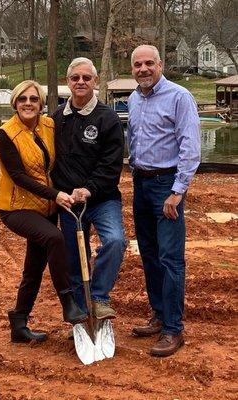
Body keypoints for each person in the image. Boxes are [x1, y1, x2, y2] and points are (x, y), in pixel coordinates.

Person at [0, 80, 86, 343]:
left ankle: (19, 324)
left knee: (34, 267)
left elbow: (58, 162)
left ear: (41, 104)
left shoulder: (48, 126)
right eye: (22, 99)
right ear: (15, 103)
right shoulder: (5, 134)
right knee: (54, 238)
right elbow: (19, 176)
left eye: (33, 99)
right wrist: (55, 194)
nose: (28, 104)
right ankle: (68, 303)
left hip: (45, 207)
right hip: (15, 207)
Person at [128, 45, 200, 357]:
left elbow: (190, 144)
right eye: (137, 64)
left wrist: (177, 190)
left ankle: (173, 328)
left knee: (171, 258)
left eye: (148, 63)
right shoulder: (133, 98)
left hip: (165, 186)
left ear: (161, 64)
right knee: (150, 254)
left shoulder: (179, 97)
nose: (143, 69)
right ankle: (158, 315)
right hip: (141, 184)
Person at [51, 57, 126, 321]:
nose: (81, 82)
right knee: (74, 259)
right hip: (70, 203)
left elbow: (111, 165)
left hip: (102, 199)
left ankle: (99, 297)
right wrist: (61, 193)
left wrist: (89, 189)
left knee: (116, 241)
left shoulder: (108, 118)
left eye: (86, 78)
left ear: (95, 81)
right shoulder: (57, 118)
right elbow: (51, 161)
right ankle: (82, 318)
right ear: (68, 82)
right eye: (75, 78)